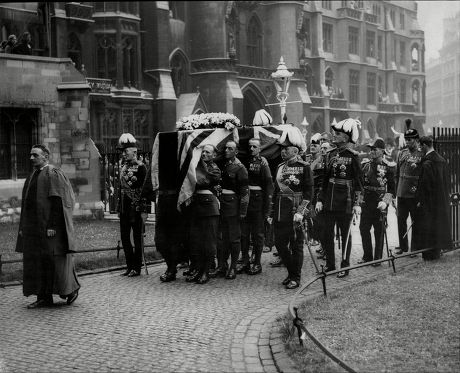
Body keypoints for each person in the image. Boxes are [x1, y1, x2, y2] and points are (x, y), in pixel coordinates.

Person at [16, 144, 80, 308]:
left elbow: (57, 201)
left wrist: (52, 225)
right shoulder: (33, 175)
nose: (31, 158)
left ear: (45, 156)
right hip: (33, 228)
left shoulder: (52, 173)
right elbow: (28, 205)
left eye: (35, 155)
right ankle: (43, 296)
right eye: (30, 155)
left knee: (54, 262)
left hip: (49, 227)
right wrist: (24, 227)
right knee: (37, 262)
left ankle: (70, 290)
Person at [316, 118, 363, 278]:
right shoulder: (329, 155)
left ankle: (345, 264)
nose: (334, 136)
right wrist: (321, 199)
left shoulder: (353, 156)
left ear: (345, 137)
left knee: (345, 234)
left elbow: (358, 182)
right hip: (329, 200)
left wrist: (357, 203)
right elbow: (324, 180)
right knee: (326, 233)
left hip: (346, 201)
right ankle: (330, 264)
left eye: (337, 134)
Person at [272, 136, 314, 289]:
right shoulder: (280, 167)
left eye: (286, 149)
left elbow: (309, 192)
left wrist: (302, 211)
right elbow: (276, 190)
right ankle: (291, 272)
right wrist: (271, 213)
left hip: (296, 210)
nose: (283, 152)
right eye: (282, 149)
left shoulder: (304, 166)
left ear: (295, 151)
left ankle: (295, 277)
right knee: (280, 244)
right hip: (280, 210)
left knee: (296, 244)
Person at [210, 141, 249, 280]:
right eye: (226, 148)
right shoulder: (225, 165)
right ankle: (221, 266)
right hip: (222, 205)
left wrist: (243, 212)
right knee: (221, 238)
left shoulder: (240, 168)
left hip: (233, 207)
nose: (226, 150)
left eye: (230, 148)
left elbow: (244, 193)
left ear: (236, 152)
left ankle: (233, 267)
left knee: (234, 238)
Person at [117, 133, 152, 277]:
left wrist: (145, 210)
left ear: (135, 152)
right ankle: (129, 265)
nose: (124, 154)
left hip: (137, 208)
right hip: (125, 208)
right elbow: (122, 191)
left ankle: (136, 268)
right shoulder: (123, 167)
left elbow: (146, 190)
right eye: (123, 152)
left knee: (137, 239)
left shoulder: (142, 167)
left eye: (126, 151)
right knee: (125, 238)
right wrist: (120, 208)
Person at [238, 138, 273, 276]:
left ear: (260, 149)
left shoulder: (263, 163)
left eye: (254, 147)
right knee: (244, 233)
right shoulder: (244, 161)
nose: (251, 149)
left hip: (257, 201)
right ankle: (245, 261)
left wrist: (267, 207)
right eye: (250, 146)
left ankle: (257, 263)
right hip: (245, 200)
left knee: (258, 234)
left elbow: (269, 185)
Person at [187, 144, 221, 284]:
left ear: (213, 155)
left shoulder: (214, 169)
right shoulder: (195, 167)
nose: (204, 154)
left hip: (209, 207)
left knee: (209, 241)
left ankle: (206, 271)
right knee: (197, 241)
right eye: (203, 152)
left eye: (208, 152)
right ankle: (199, 270)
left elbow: (202, 181)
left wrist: (197, 167)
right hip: (197, 206)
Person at [359, 139, 396, 265]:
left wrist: (385, 202)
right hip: (367, 201)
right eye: (371, 149)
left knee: (379, 230)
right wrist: (358, 202)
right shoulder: (365, 165)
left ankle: (378, 258)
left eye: (374, 149)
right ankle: (367, 256)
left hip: (380, 202)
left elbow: (391, 189)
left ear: (382, 151)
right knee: (363, 228)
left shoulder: (388, 166)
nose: (372, 152)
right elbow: (360, 185)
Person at [416, 136, 452, 260]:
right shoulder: (442, 160)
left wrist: (421, 201)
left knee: (428, 227)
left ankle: (429, 254)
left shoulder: (427, 163)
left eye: (420, 146)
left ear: (425, 145)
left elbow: (425, 185)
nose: (420, 149)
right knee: (438, 225)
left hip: (430, 202)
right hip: (441, 200)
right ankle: (436, 251)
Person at [394, 119, 423, 255]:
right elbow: (397, 174)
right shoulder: (401, 153)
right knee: (401, 221)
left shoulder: (421, 154)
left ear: (417, 140)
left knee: (415, 221)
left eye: (410, 140)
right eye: (406, 139)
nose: (407, 142)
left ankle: (415, 248)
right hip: (401, 193)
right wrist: (396, 192)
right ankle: (403, 246)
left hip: (414, 193)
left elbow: (423, 176)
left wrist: (419, 193)